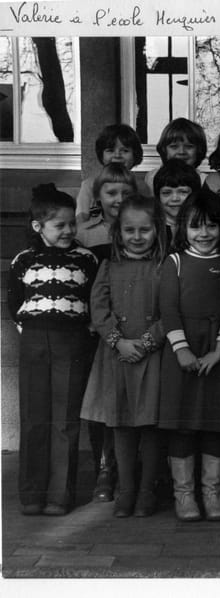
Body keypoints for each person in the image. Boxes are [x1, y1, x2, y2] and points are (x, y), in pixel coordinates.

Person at [8, 184, 98, 515]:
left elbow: (93, 301)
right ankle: (32, 494)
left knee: (65, 419)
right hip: (34, 340)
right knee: (34, 417)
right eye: (59, 225)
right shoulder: (23, 260)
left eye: (71, 223)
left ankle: (60, 496)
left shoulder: (86, 259)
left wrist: (82, 333)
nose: (68, 230)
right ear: (38, 226)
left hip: (72, 341)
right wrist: (30, 332)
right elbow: (14, 303)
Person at [158, 192, 220, 522]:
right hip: (181, 353)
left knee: (216, 426)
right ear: (184, 228)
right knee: (182, 426)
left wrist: (218, 351)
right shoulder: (175, 262)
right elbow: (168, 309)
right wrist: (182, 349)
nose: (204, 233)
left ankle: (213, 494)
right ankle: (184, 496)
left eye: (211, 226)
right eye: (196, 226)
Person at [81, 195, 167, 518]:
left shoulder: (165, 267)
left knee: (150, 425)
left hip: (152, 355)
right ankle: (127, 490)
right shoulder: (108, 266)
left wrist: (146, 341)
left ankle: (147, 490)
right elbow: (99, 309)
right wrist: (118, 342)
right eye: (130, 230)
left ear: (157, 230)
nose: (137, 236)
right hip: (116, 357)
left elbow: (171, 311)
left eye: (145, 230)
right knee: (121, 425)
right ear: (118, 232)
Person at [76, 162, 138, 504]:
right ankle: (104, 467)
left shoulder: (141, 228)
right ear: (97, 196)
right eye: (111, 192)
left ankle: (127, 467)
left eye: (125, 192)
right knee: (99, 400)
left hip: (132, 329)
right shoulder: (87, 234)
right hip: (95, 328)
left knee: (128, 400)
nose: (118, 198)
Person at [75, 123, 149, 217]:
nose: (117, 155)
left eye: (125, 151)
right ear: (101, 155)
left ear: (135, 154)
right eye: (110, 150)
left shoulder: (141, 186)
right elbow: (81, 219)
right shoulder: (89, 185)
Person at [76, 163, 137, 263]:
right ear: (97, 196)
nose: (120, 200)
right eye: (112, 193)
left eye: (126, 194)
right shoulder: (83, 233)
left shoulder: (143, 231)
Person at [144, 118, 208, 196]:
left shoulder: (204, 181)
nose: (181, 152)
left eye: (189, 146)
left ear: (199, 150)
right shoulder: (152, 177)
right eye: (174, 147)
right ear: (164, 150)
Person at [153, 158, 202, 247]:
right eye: (167, 193)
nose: (175, 198)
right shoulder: (152, 228)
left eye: (183, 192)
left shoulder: (204, 228)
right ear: (158, 196)